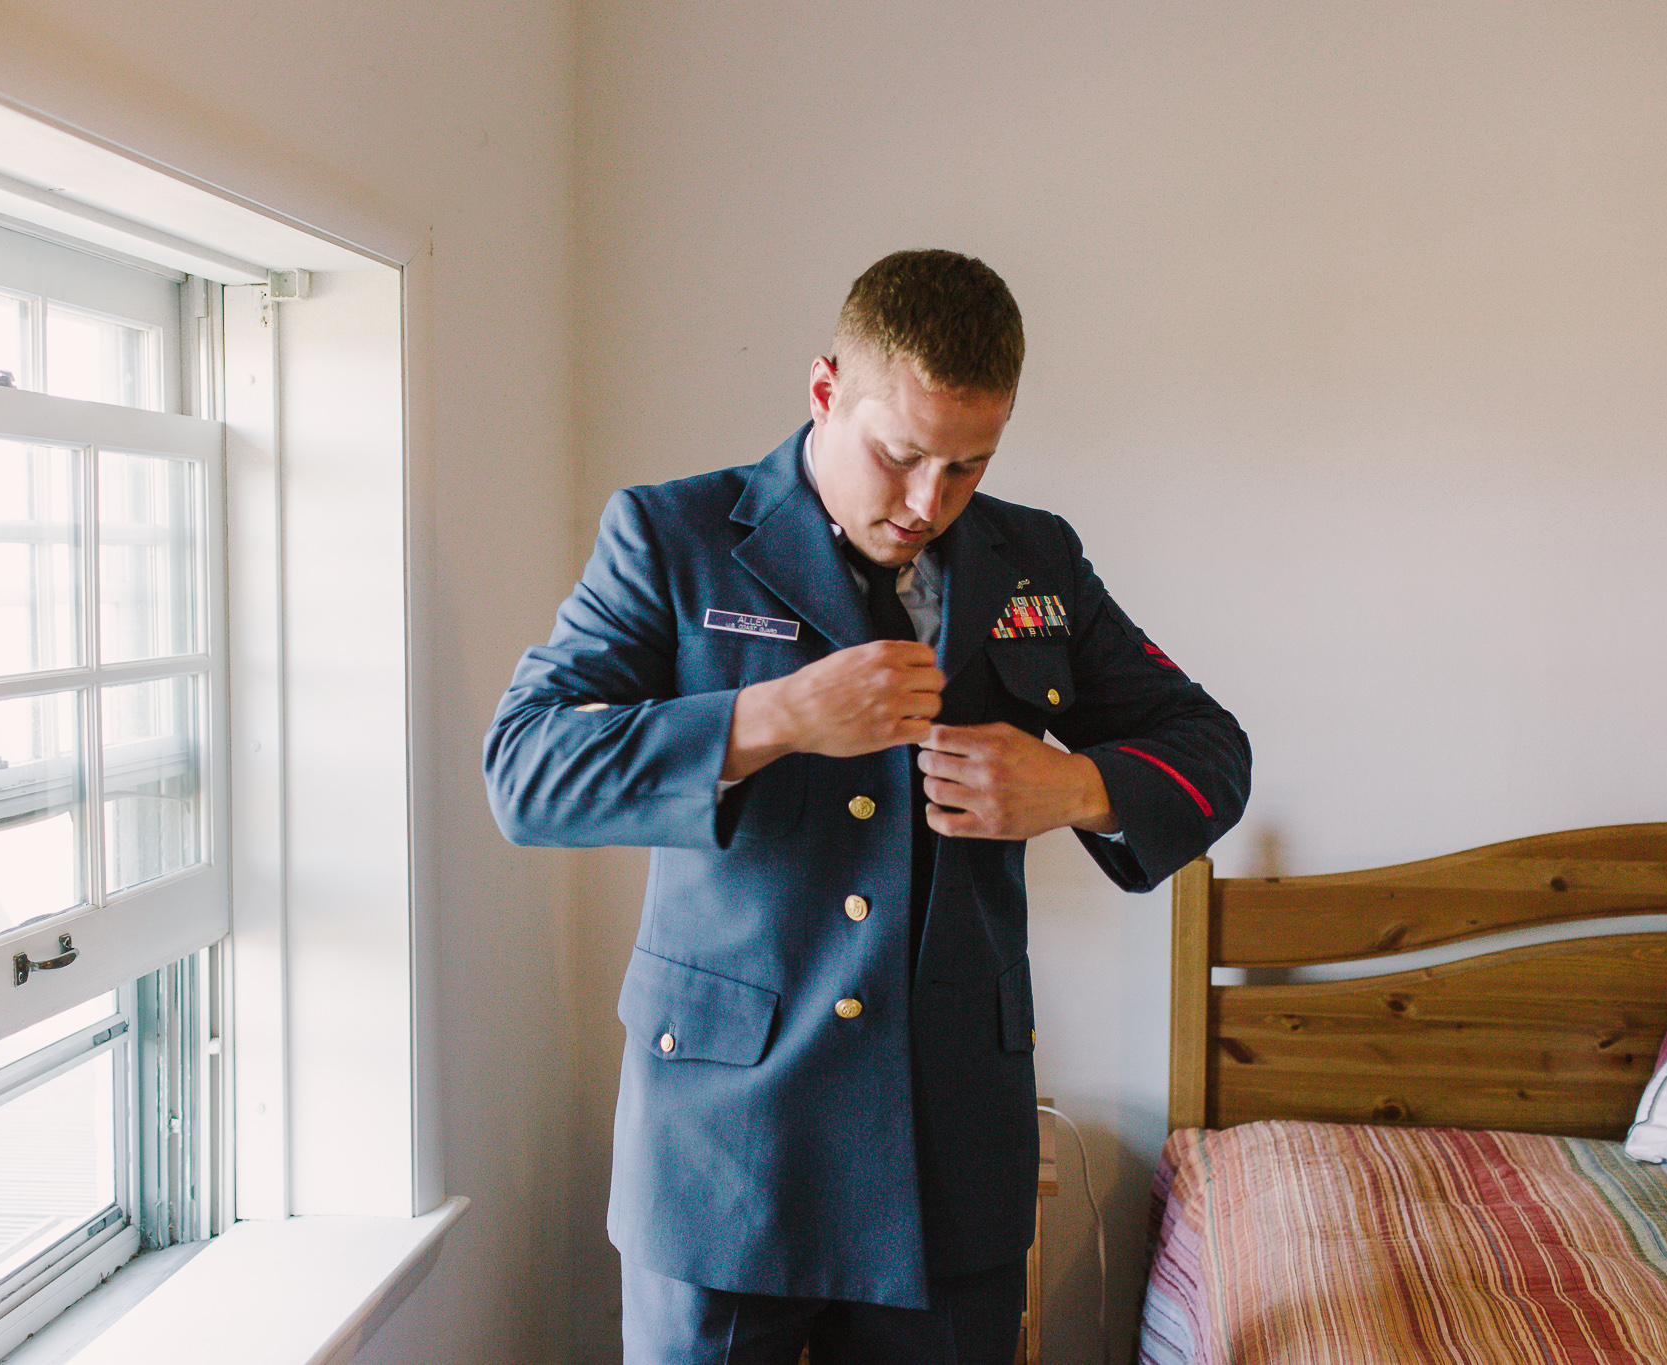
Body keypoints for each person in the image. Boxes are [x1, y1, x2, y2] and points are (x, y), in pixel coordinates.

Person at [484, 250, 1250, 1364]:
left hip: (947, 1157)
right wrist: (771, 719)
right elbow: (524, 770)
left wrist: (1072, 789)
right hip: (726, 1155)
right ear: (823, 391)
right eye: (899, 456)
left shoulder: (1035, 561)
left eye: (967, 467)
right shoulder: (671, 536)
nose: (926, 503)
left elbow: (1209, 748)